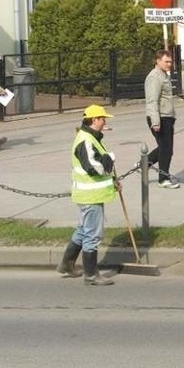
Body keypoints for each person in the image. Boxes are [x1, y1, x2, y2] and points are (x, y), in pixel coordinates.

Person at [58, 104, 118, 286]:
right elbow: (94, 167)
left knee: (83, 230)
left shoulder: (90, 137)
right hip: (90, 195)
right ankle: (91, 275)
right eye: (102, 119)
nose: (104, 122)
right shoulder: (86, 140)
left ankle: (66, 265)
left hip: (88, 193)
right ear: (94, 120)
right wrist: (111, 159)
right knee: (92, 235)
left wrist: (113, 180)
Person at [144, 49, 179, 189]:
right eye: (166, 61)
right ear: (157, 61)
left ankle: (144, 164)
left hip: (167, 116)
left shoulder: (163, 75)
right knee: (166, 149)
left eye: (170, 61)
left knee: (166, 148)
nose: (169, 64)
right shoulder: (155, 77)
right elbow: (152, 101)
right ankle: (163, 179)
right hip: (160, 117)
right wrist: (155, 121)